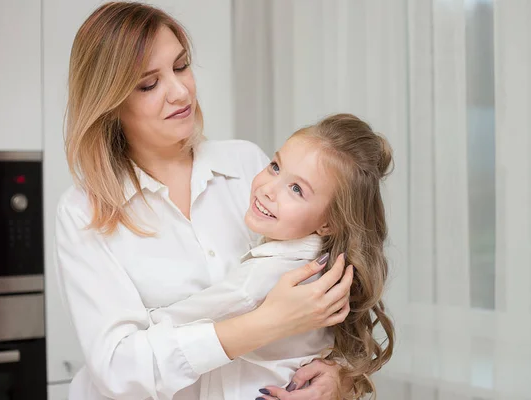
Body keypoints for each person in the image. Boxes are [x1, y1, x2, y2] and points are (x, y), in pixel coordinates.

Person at [55, 2, 353, 399]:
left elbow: (322, 297)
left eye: (181, 66)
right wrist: (267, 323)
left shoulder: (248, 164)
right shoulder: (83, 212)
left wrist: (338, 376)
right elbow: (117, 366)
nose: (180, 92)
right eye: (148, 84)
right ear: (109, 103)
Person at [149, 114, 395, 400]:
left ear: (328, 223)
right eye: (275, 167)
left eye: (296, 189)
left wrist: (148, 318)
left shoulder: (261, 277)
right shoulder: (325, 265)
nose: (268, 189)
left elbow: (168, 322)